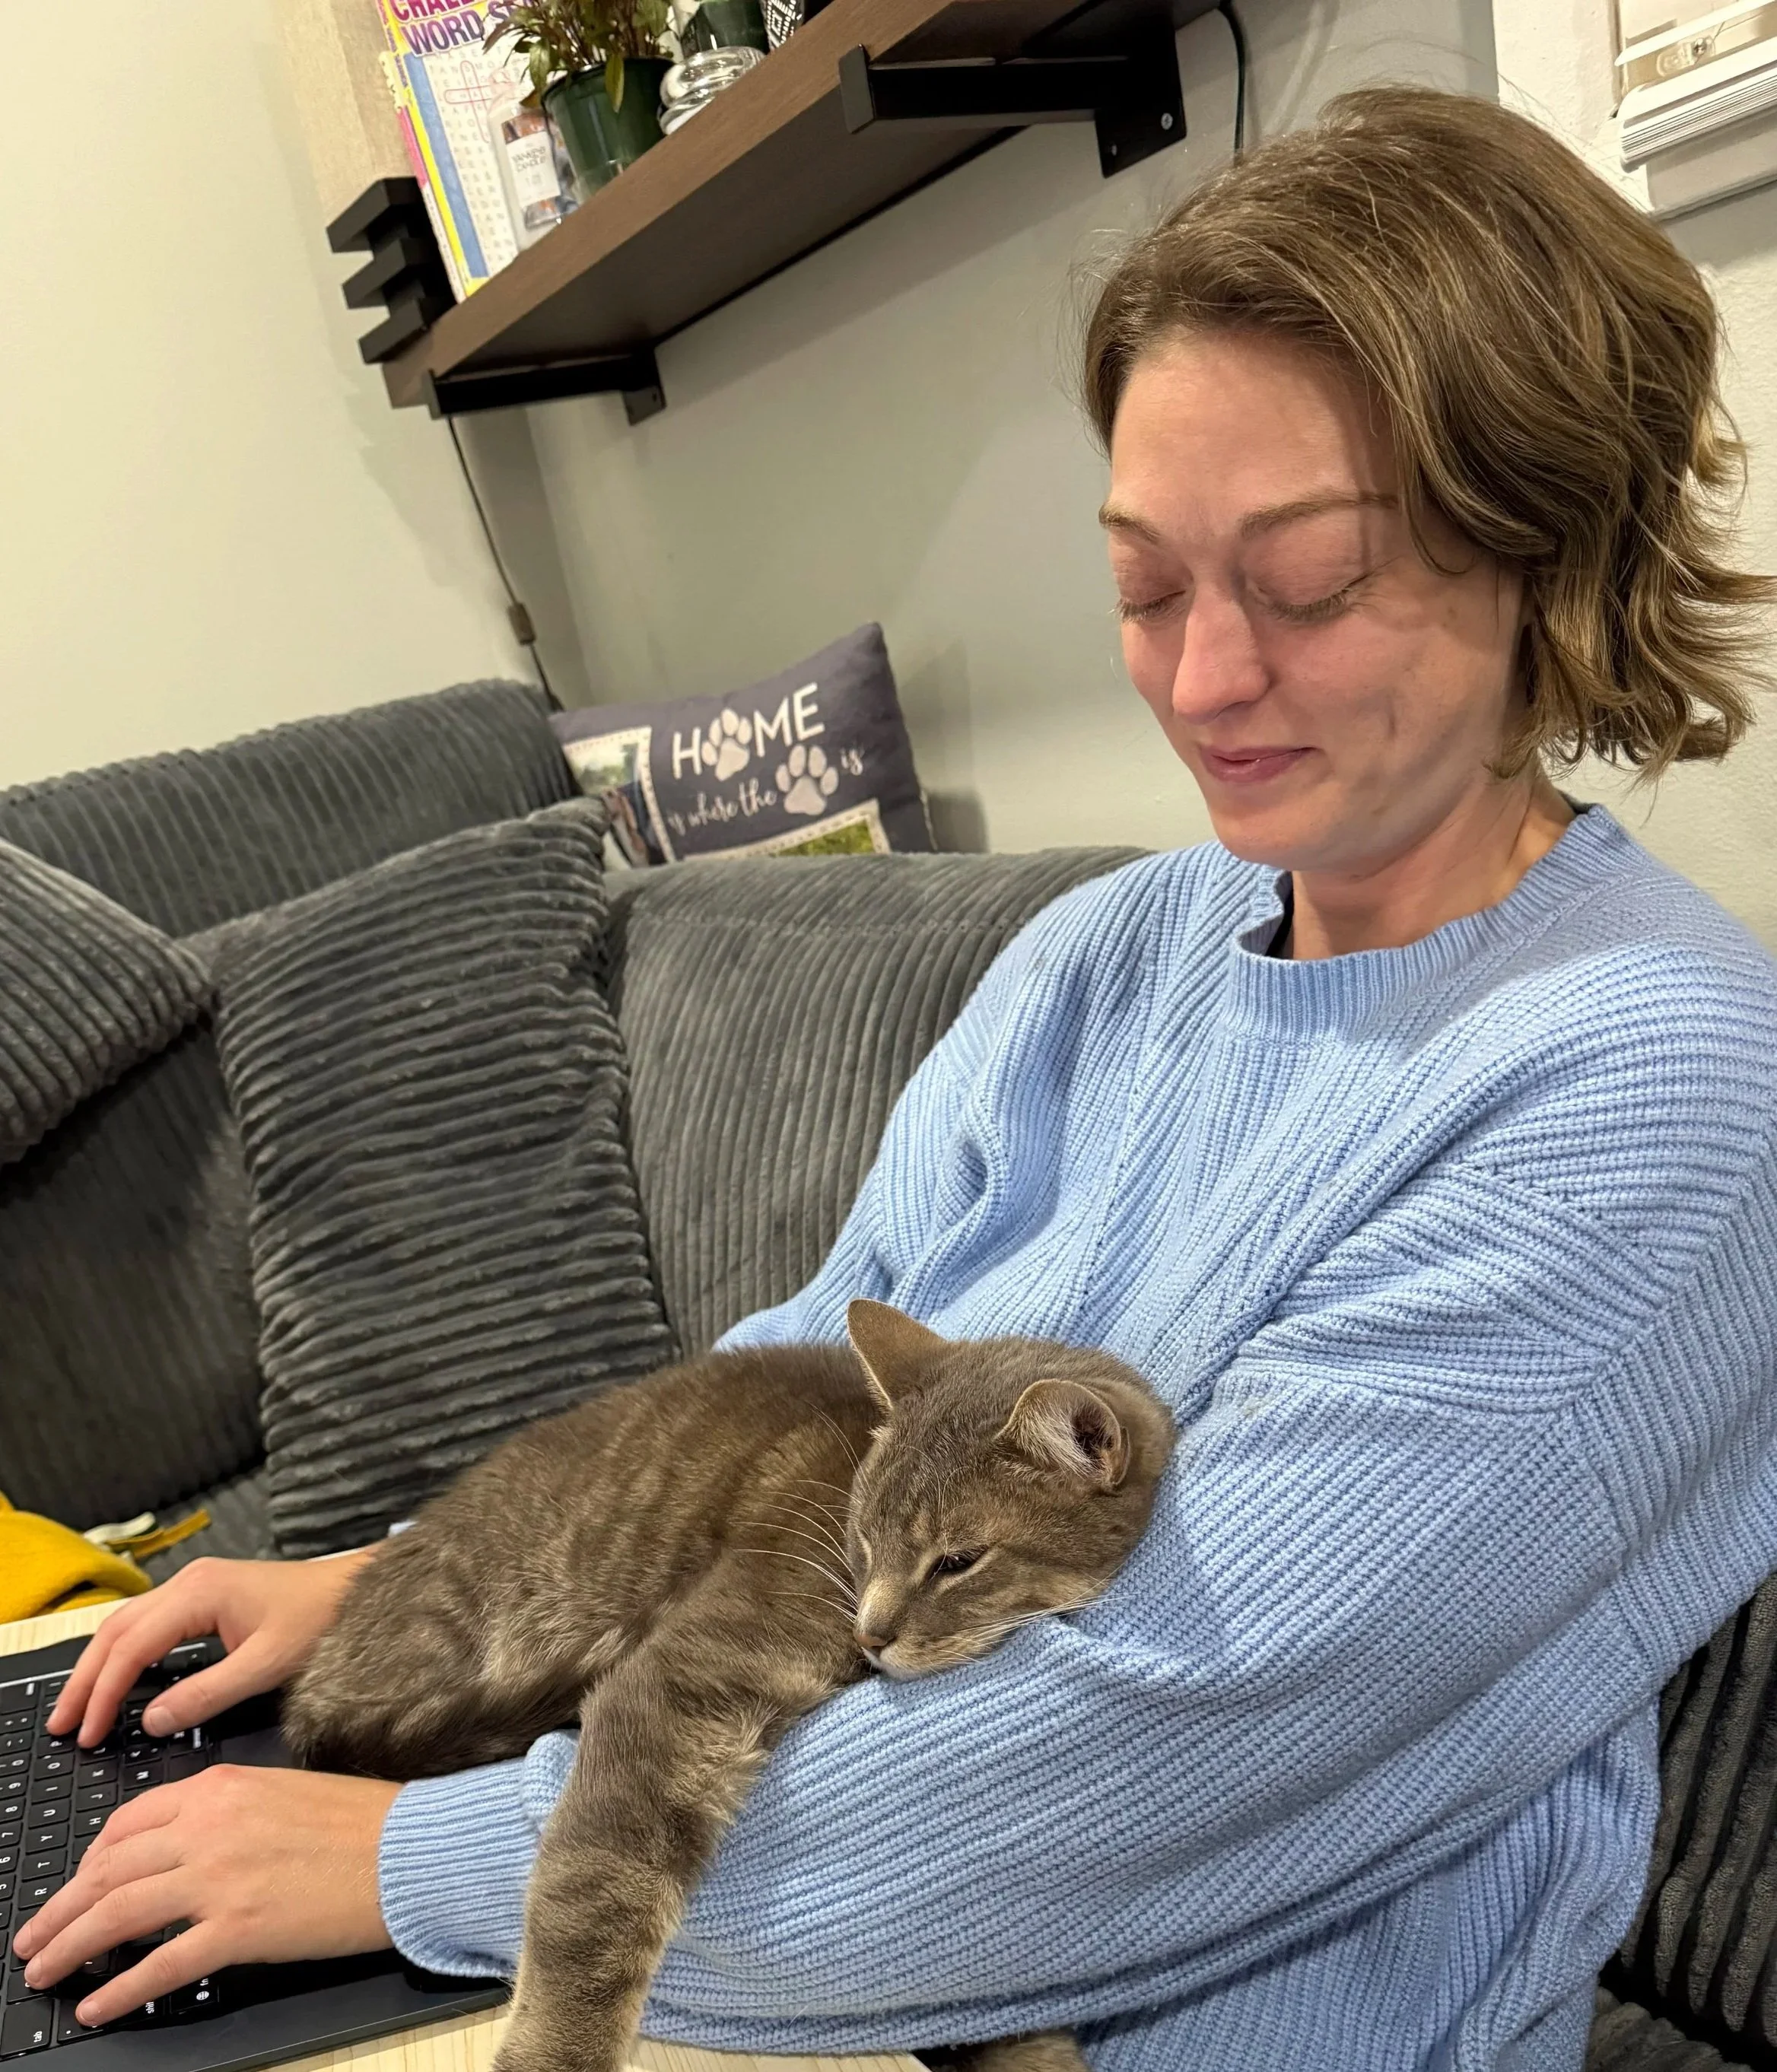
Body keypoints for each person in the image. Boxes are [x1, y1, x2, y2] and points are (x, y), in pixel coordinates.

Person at [14, 84, 1777, 2072]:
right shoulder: (1116, 951)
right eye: (1143, 584)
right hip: (777, 1928)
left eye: (1305, 582)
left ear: (1555, 553)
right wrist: (401, 1576)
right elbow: (799, 1392)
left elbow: (1146, 1764)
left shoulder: (1654, 1081)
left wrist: (411, 1863)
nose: (1200, 684)